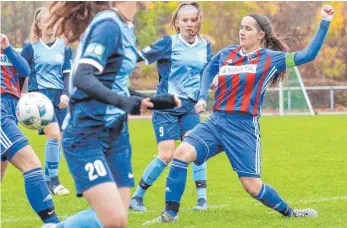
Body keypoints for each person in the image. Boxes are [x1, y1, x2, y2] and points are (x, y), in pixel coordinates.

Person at [144, 5, 335, 224]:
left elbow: (308, 55)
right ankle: (170, 215)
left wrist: (325, 22)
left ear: (260, 35)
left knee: (251, 186)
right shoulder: (227, 53)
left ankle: (289, 212)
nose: (242, 32)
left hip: (243, 128)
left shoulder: (271, 59)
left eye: (247, 28)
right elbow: (208, 69)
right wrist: (202, 96)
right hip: (216, 122)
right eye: (241, 27)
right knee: (181, 154)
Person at [42, 2, 180, 228]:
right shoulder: (109, 25)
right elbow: (82, 77)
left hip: (117, 136)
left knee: (118, 220)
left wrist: (148, 101)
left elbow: (116, 87)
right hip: (86, 133)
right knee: (113, 218)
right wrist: (125, 102)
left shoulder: (126, 27)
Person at [130, 1, 213, 212]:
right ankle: (137, 197)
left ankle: (202, 200)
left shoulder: (205, 46)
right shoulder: (168, 43)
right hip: (166, 106)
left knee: (195, 150)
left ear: (199, 21)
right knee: (166, 155)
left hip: (190, 107)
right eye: (184, 20)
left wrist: (211, 86)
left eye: (193, 19)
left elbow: (210, 74)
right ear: (177, 22)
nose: (189, 24)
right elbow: (137, 57)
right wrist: (113, 67)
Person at [0, 33, 60, 224]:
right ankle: (53, 222)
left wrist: (7, 47)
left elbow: (25, 70)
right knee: (32, 164)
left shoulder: (7, 50)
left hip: (11, 108)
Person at [21, 6, 72, 195]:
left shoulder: (65, 47)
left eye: (53, 21)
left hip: (60, 96)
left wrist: (66, 94)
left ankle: (46, 180)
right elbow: (21, 73)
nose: (50, 25)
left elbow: (67, 74)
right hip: (39, 98)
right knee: (54, 135)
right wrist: (18, 97)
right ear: (39, 25)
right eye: (46, 21)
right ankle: (55, 182)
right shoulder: (30, 47)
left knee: (58, 141)